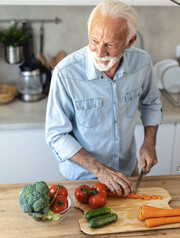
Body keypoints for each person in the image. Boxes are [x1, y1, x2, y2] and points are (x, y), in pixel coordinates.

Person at [45, 0, 162, 196]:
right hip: (80, 181)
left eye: (110, 44)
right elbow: (56, 135)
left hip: (127, 174)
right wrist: (100, 170)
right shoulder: (65, 73)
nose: (99, 52)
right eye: (94, 40)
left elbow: (151, 103)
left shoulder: (142, 63)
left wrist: (150, 142)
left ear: (130, 42)